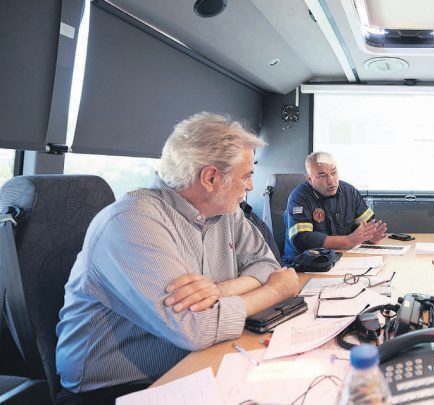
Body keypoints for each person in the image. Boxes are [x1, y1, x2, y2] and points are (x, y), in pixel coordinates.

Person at [55, 112, 300, 404]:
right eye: (247, 175)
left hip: (193, 363)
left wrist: (220, 290)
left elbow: (266, 264)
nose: (250, 186)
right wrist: (276, 291)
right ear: (211, 178)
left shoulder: (227, 211)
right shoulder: (132, 221)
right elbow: (196, 327)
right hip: (117, 389)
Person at [282, 152, 388, 263]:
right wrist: (347, 241)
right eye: (323, 176)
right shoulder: (299, 197)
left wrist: (370, 236)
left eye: (333, 173)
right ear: (309, 178)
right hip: (304, 264)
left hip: (342, 260)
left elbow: (367, 226)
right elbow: (303, 239)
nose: (331, 181)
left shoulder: (349, 191)